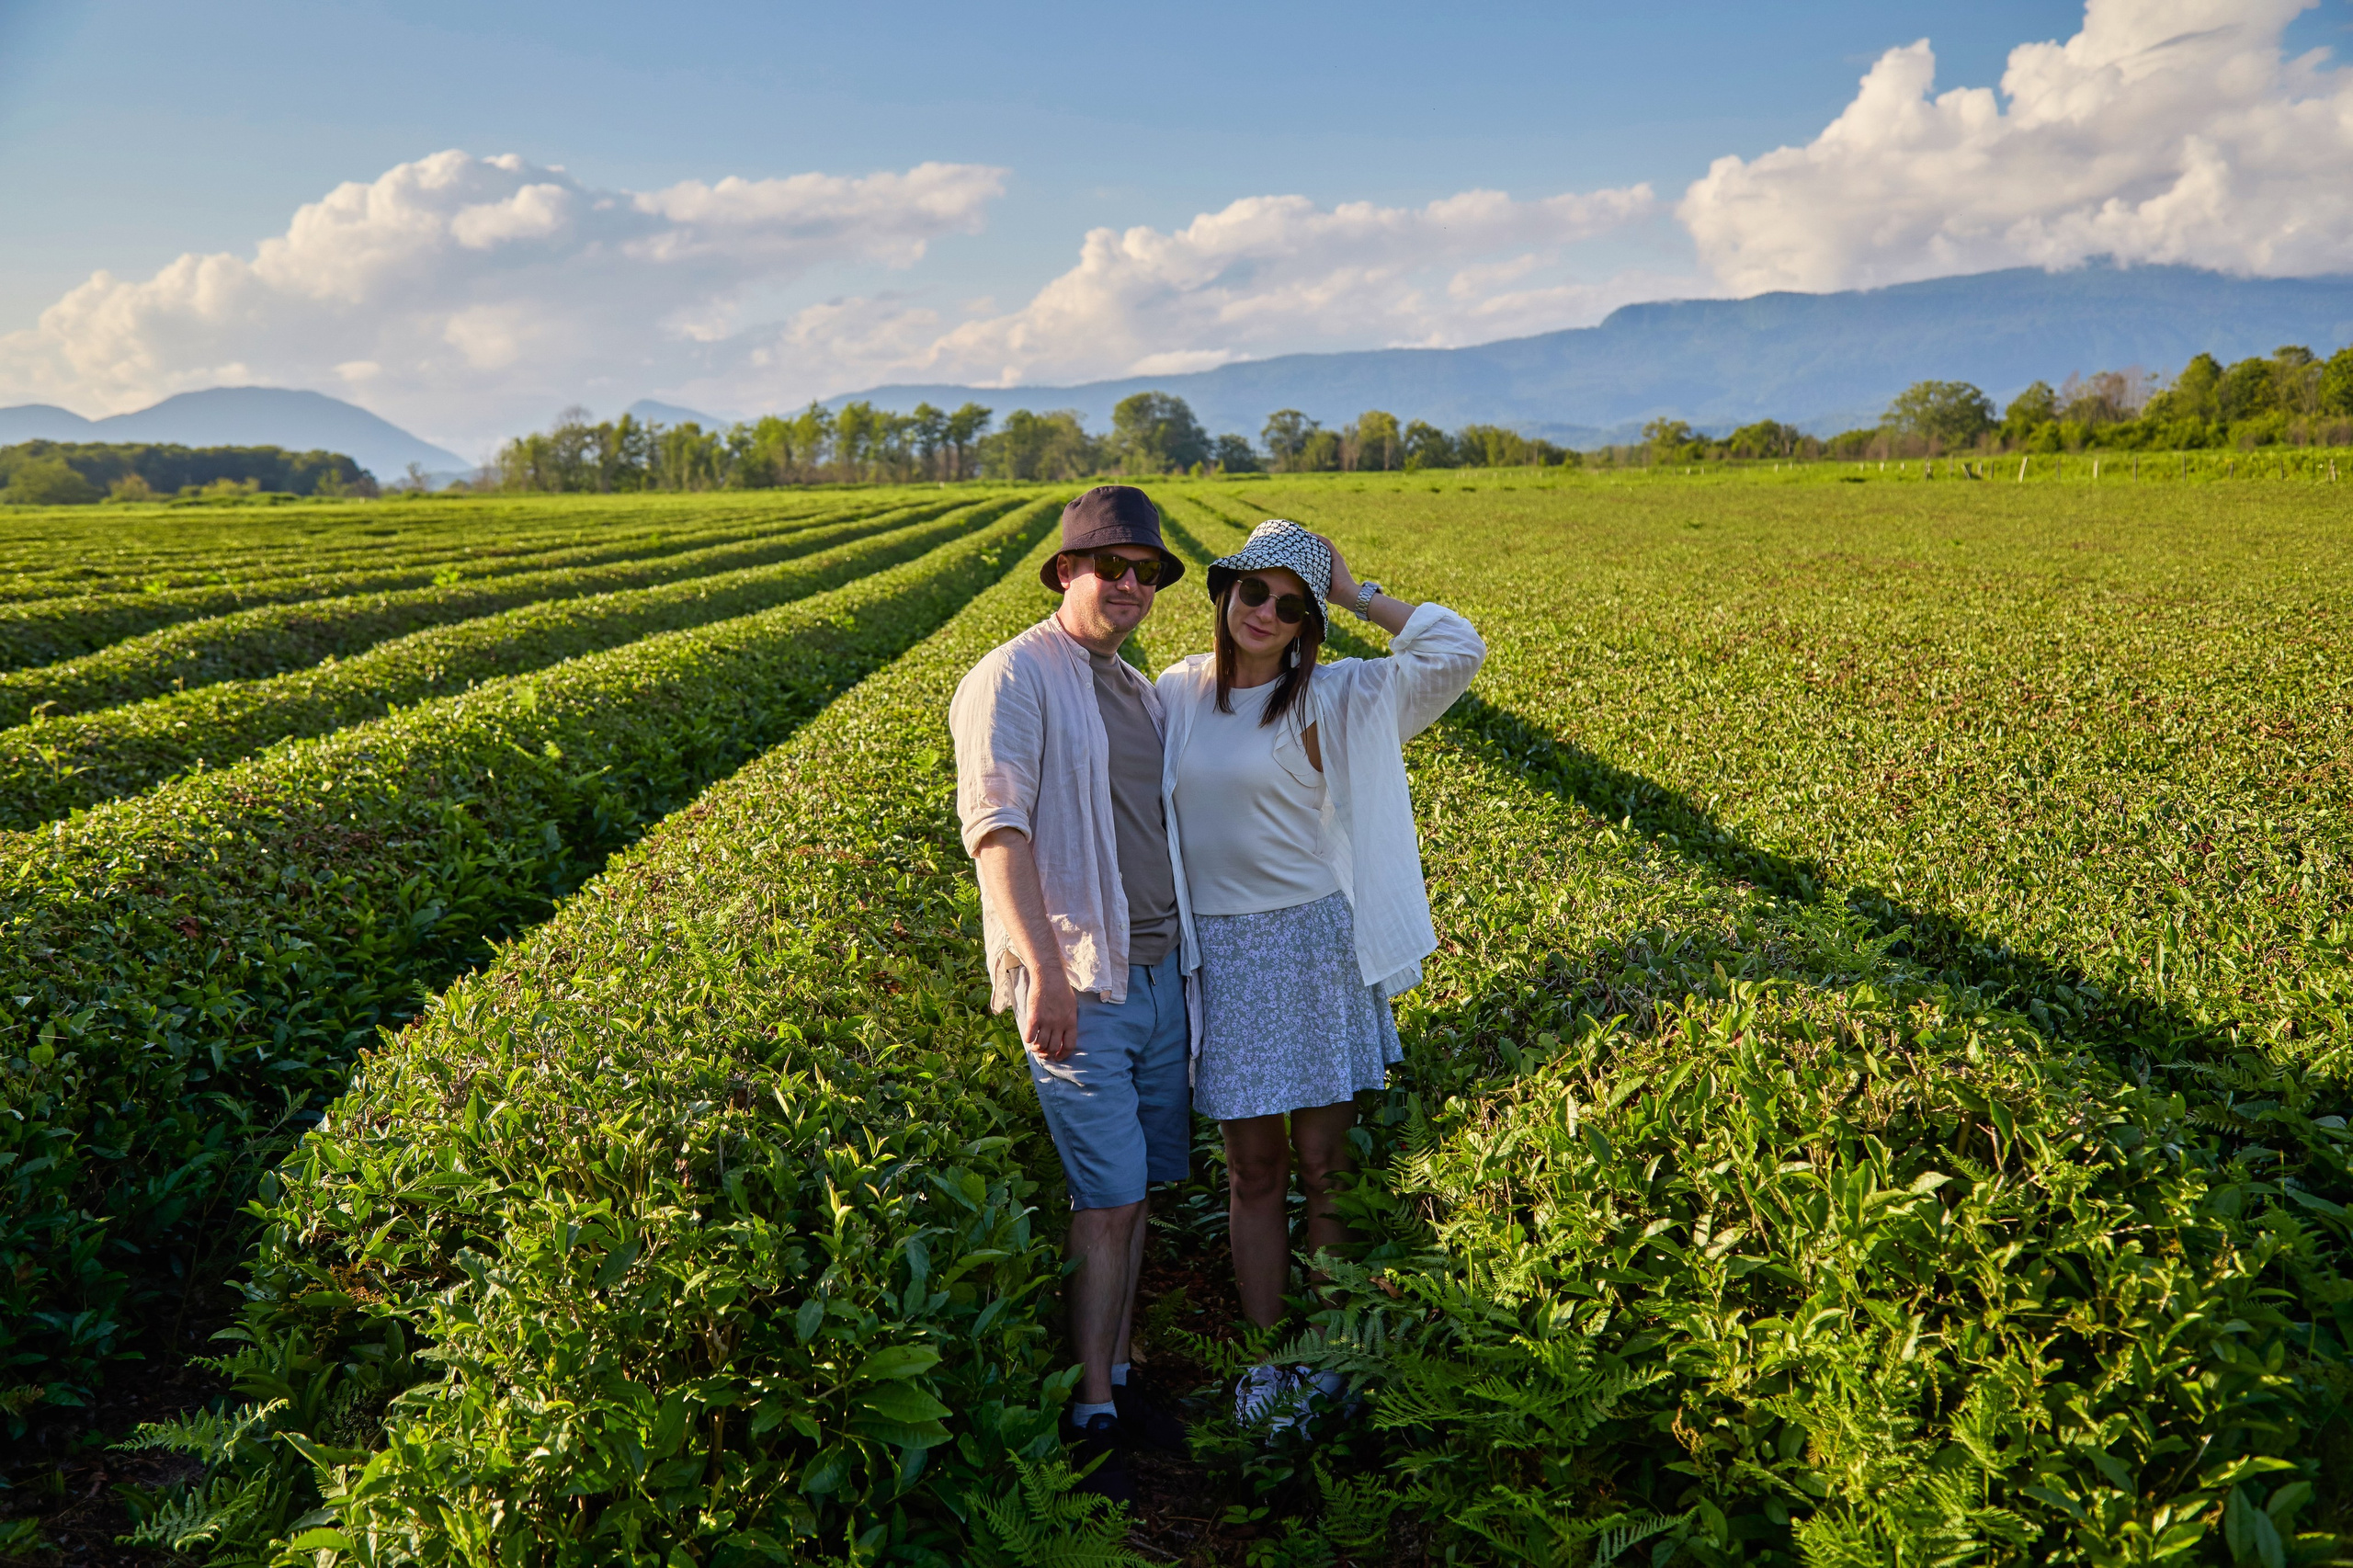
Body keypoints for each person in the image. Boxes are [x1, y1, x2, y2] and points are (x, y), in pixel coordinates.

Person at [1154, 518, 1484, 1432]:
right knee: (1251, 1171)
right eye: (1254, 591)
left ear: (1307, 624)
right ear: (1224, 591)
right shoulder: (1176, 690)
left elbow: (1456, 649)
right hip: (1221, 955)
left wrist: (1354, 591)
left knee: (1323, 1163)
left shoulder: (1333, 696)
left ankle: (1330, 1355)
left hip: (1309, 947)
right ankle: (1268, 1358)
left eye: (1291, 605)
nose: (1266, 612)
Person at [948, 484, 1192, 1500]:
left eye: (1146, 572)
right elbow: (995, 831)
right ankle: (1093, 1407)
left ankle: (1123, 1366)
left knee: (1141, 1192)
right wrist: (1042, 969)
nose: (1130, 585)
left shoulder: (1135, 688)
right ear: (1064, 572)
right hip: (1082, 981)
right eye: (1110, 567)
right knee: (1109, 1194)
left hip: (1162, 973)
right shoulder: (1012, 676)